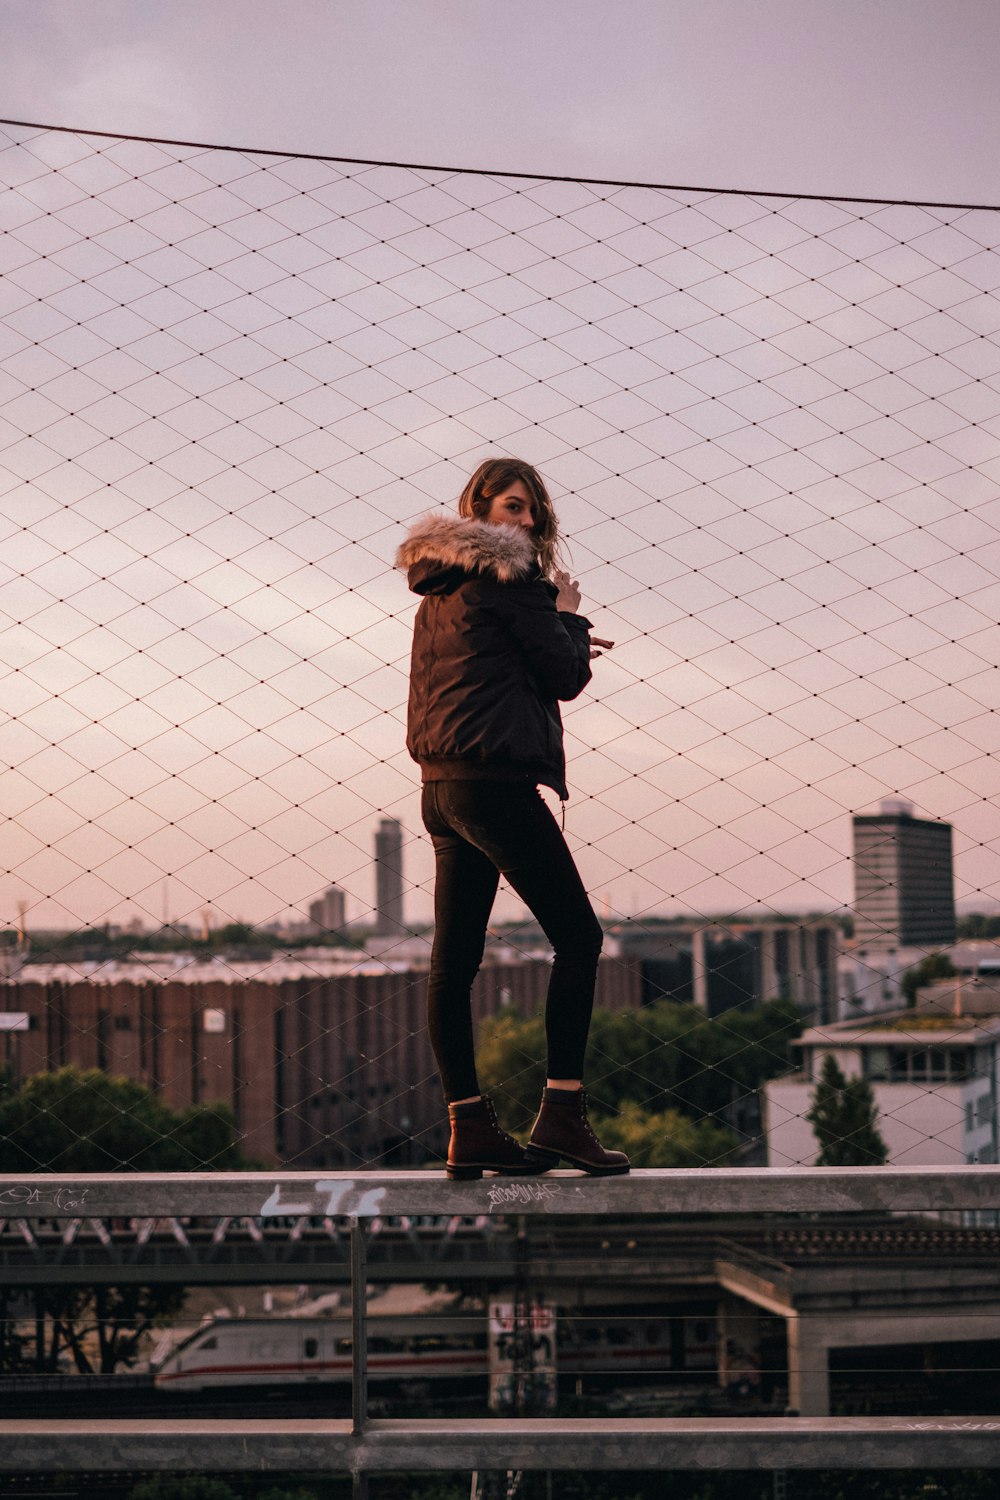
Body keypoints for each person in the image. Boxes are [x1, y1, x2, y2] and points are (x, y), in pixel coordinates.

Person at [396, 458, 630, 1180]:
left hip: (441, 792)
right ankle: (561, 1115)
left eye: (531, 510)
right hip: (495, 787)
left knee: (453, 964)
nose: (524, 521)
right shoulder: (517, 582)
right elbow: (564, 681)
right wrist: (564, 613)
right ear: (480, 508)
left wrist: (552, 635)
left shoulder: (438, 589)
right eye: (512, 506)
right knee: (581, 940)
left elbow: (487, 670)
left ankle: (469, 1129)